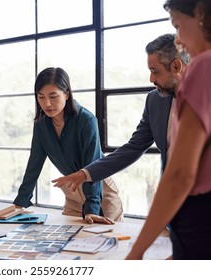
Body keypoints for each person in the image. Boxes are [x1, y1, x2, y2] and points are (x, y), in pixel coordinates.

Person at [52, 34, 189, 196]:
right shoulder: (154, 100)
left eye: (155, 71)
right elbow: (133, 148)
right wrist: (85, 173)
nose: (151, 79)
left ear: (176, 66)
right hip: (173, 199)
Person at [127, 0, 211, 259]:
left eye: (177, 26)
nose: (178, 39)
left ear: (199, 14)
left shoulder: (204, 66)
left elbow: (180, 177)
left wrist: (136, 253)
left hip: (197, 215)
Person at [13, 67, 123, 224]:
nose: (47, 104)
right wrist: (19, 204)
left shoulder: (86, 120)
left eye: (53, 96)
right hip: (72, 193)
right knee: (69, 242)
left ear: (67, 94)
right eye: (41, 97)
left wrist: (92, 208)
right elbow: (34, 165)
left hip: (100, 190)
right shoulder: (41, 124)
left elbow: (92, 165)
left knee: (105, 241)